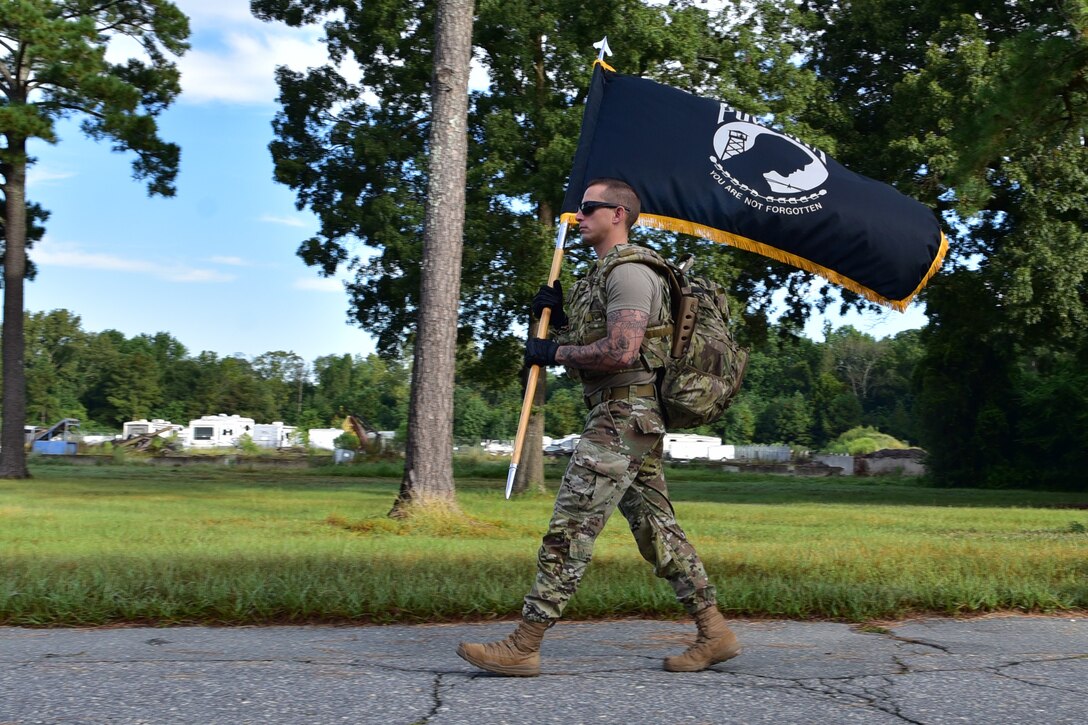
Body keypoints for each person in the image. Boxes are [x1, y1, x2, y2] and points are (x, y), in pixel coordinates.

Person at [456, 178, 741, 676]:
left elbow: (622, 350)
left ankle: (524, 644)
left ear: (618, 215)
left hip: (624, 414)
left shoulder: (630, 272)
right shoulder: (604, 275)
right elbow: (604, 342)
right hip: (626, 414)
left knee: (571, 524)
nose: (578, 216)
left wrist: (553, 352)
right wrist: (559, 320)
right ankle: (714, 632)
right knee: (656, 529)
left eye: (588, 208)